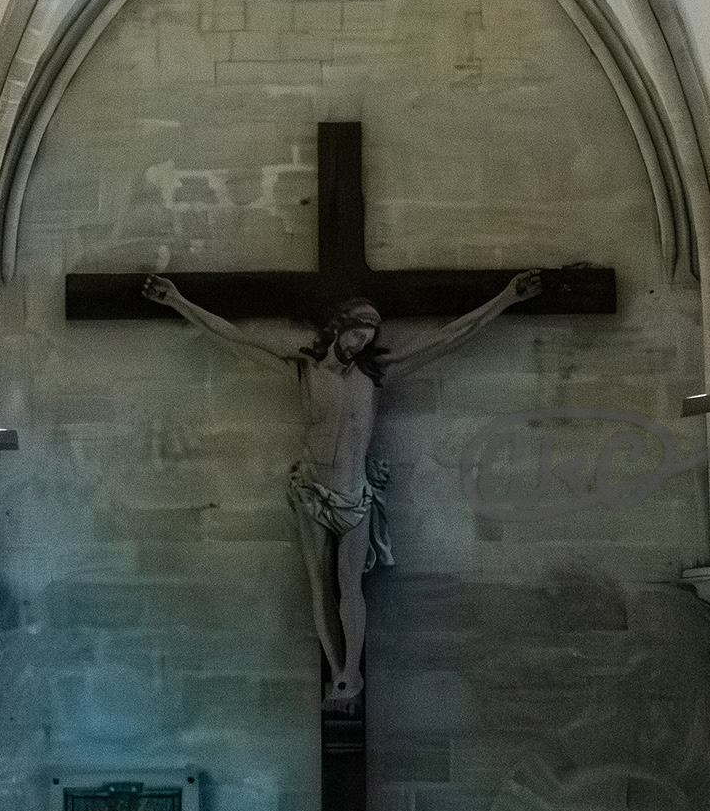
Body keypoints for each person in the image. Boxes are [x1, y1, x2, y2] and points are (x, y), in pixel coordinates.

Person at [142, 270, 541, 702]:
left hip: (354, 495)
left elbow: (448, 337)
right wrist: (177, 301)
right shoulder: (303, 368)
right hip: (311, 491)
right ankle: (336, 671)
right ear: (339, 327)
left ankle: (352, 670)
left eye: (367, 339)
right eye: (356, 335)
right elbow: (235, 339)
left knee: (350, 585)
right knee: (320, 585)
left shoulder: (376, 374)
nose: (360, 345)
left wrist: (506, 298)